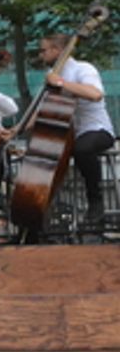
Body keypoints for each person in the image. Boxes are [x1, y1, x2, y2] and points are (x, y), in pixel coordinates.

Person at [38, 33, 115, 223]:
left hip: (98, 129)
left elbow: (95, 94)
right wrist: (16, 129)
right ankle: (41, 214)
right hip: (71, 134)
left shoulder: (83, 69)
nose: (41, 55)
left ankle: (95, 200)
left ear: (57, 50)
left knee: (82, 148)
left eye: (43, 50)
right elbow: (42, 109)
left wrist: (62, 83)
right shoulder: (52, 77)